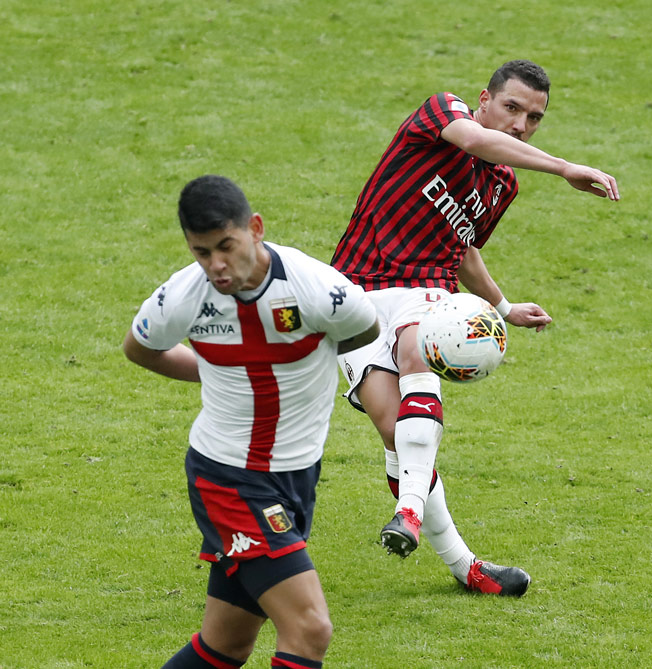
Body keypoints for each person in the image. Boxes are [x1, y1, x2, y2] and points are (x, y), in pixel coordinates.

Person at [330, 60, 619, 597]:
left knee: (415, 352)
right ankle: (461, 561)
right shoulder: (442, 113)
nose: (521, 125)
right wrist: (562, 168)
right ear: (484, 99)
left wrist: (504, 307)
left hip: (430, 292)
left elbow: (463, 249)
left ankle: (416, 522)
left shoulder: (502, 185)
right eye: (512, 108)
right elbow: (477, 142)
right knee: (397, 435)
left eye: (534, 118)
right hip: (356, 291)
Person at [123, 175, 379, 669]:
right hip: (229, 480)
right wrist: (219, 373)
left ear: (255, 229)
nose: (216, 266)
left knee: (225, 644)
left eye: (226, 246)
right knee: (309, 629)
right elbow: (141, 349)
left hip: (297, 475)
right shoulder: (183, 297)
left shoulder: (316, 288)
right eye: (202, 252)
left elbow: (364, 329)